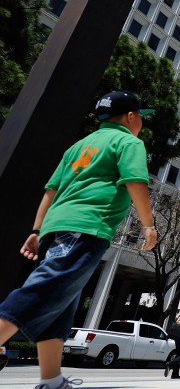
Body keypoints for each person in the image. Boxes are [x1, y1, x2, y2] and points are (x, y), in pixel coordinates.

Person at [0, 90, 158, 389]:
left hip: (55, 226)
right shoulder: (129, 142)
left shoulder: (78, 146)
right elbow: (135, 180)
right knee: (41, 291)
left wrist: (36, 231)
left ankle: (52, 380)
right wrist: (148, 225)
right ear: (130, 117)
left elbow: (51, 190)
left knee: (60, 307)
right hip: (87, 226)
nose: (141, 124)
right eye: (140, 118)